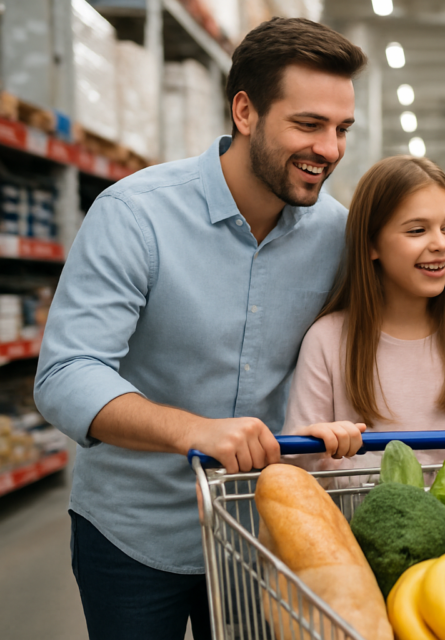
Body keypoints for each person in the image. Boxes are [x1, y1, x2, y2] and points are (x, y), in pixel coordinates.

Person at [34, 18, 368, 640]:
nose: (330, 148)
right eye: (308, 124)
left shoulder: (336, 235)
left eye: (341, 128)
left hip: (261, 528)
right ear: (245, 111)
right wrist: (194, 431)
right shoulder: (136, 215)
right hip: (133, 533)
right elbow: (64, 375)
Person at [282, 155, 445, 479]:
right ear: (371, 243)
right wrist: (321, 453)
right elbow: (297, 471)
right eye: (417, 230)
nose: (441, 244)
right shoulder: (328, 340)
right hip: (351, 529)